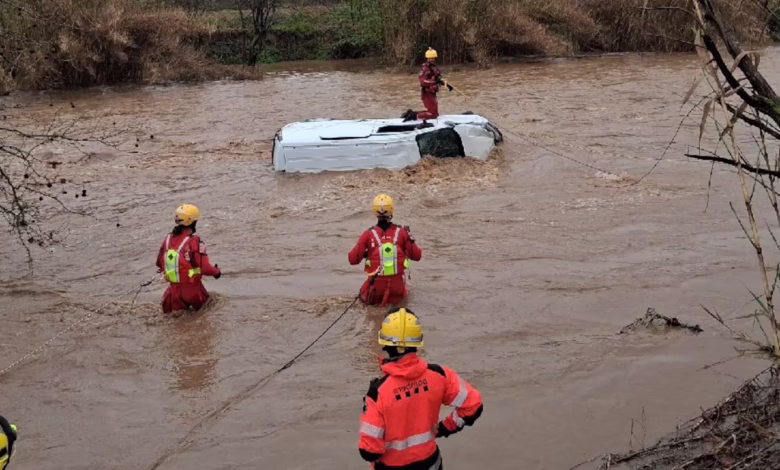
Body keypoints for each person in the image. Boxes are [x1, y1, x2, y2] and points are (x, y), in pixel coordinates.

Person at [358, 308, 483, 470]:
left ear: (385, 343)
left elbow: (369, 451)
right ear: (418, 342)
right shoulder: (440, 375)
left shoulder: (378, 393)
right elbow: (473, 406)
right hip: (431, 464)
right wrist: (445, 427)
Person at [348, 194, 422, 307]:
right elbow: (417, 256)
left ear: (375, 211)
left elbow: (352, 260)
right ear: (392, 210)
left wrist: (366, 254)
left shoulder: (368, 234)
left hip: (376, 289)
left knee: (362, 298)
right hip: (398, 289)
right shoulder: (402, 232)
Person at [156, 204, 221, 314]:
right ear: (193, 222)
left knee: (175, 321)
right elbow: (205, 268)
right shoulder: (194, 241)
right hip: (193, 291)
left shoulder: (167, 240)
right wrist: (217, 272)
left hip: (173, 294)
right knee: (212, 308)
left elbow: (159, 263)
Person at [402, 48, 452, 123]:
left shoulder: (434, 68)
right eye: (430, 58)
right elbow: (423, 82)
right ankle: (414, 116)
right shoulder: (425, 68)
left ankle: (412, 113)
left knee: (435, 113)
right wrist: (434, 82)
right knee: (433, 114)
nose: (432, 59)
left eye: (433, 58)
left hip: (433, 92)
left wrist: (447, 85)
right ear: (427, 58)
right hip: (427, 92)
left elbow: (438, 79)